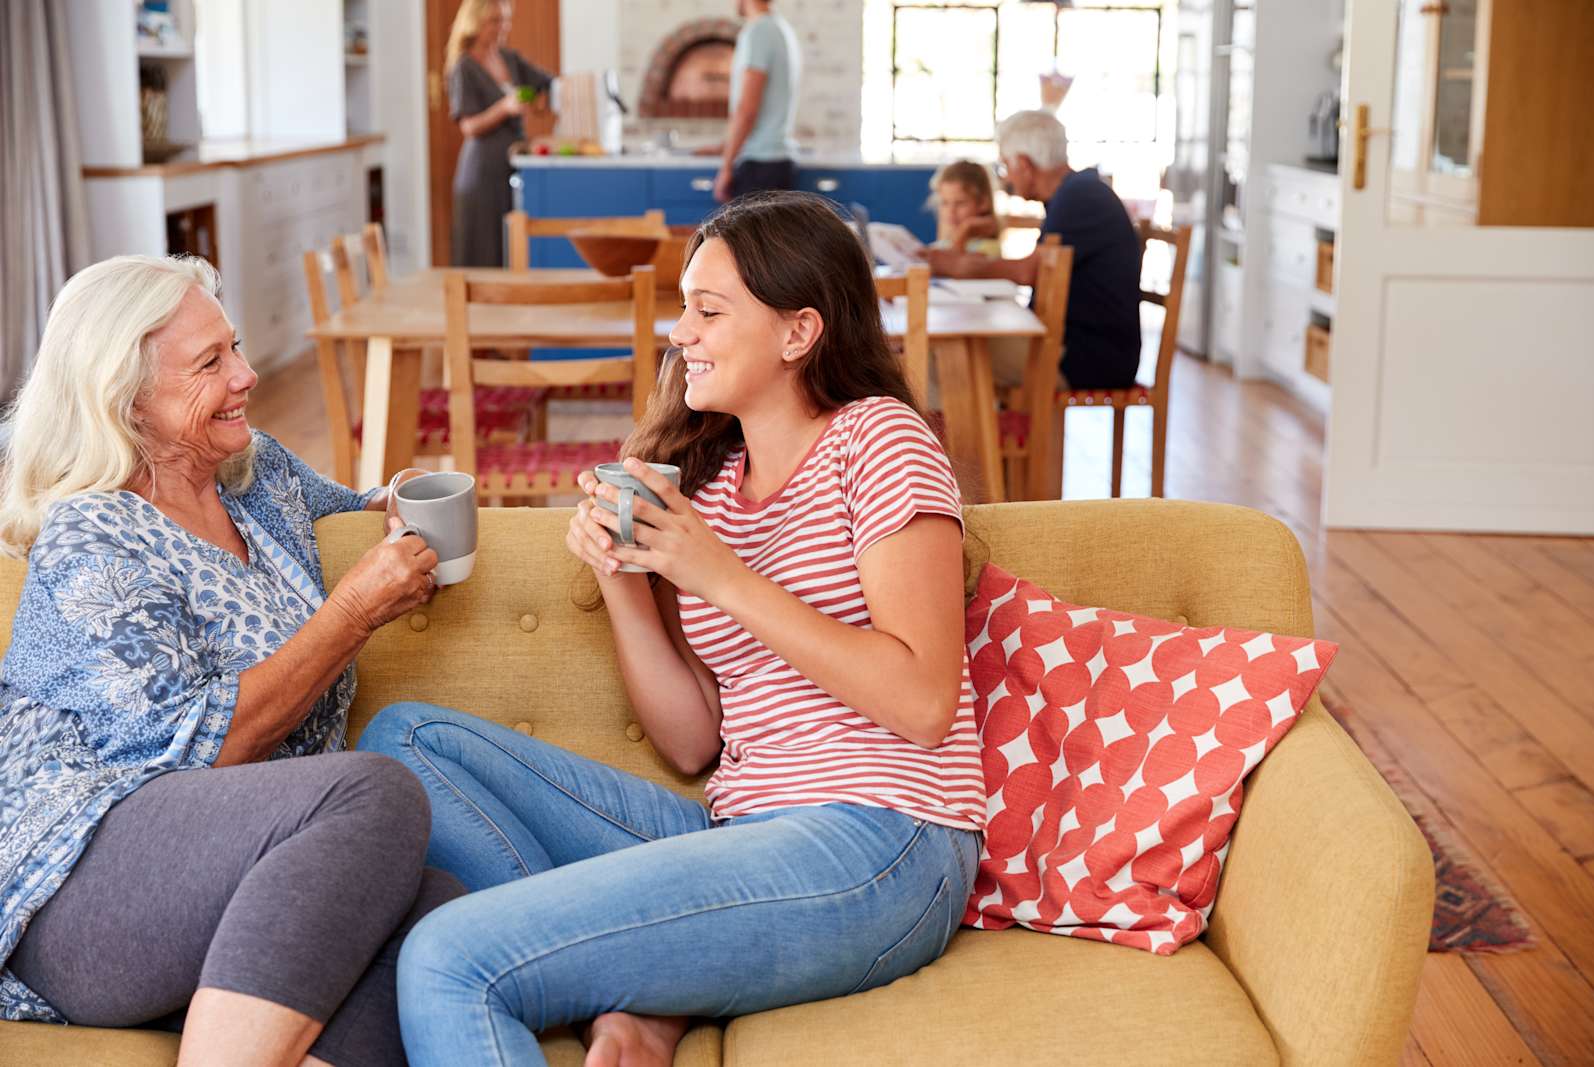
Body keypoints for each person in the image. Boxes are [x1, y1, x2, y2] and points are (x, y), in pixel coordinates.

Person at [356, 193, 985, 1067]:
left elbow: (922, 701)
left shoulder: (877, 439)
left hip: (883, 842)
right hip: (744, 830)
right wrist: (623, 579)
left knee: (451, 957)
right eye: (682, 306)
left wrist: (713, 571)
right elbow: (694, 742)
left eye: (708, 310)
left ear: (799, 331)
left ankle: (635, 986)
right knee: (404, 739)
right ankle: (643, 977)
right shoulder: (714, 485)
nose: (679, 331)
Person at [0, 254, 465, 1065]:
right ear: (125, 395)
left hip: (233, 871)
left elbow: (353, 507)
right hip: (81, 883)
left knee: (438, 915)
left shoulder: (253, 471)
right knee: (375, 792)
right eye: (211, 363)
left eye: (235, 347)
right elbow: (200, 755)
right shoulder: (92, 537)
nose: (247, 375)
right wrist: (352, 612)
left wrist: (395, 502)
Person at [923, 109, 1142, 390]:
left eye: (1006, 166)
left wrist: (958, 266)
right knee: (949, 348)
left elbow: (1028, 271)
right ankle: (988, 434)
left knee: (940, 354)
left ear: (1024, 164)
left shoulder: (1079, 197)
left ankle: (968, 435)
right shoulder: (1075, 193)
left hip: (1087, 358)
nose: (1007, 178)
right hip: (1075, 347)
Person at [446, 0, 552, 266]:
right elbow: (469, 127)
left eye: (505, 19)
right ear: (475, 22)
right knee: (484, 253)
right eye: (495, 20)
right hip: (481, 174)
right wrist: (504, 108)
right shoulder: (464, 67)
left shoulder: (509, 58)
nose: (502, 27)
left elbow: (547, 84)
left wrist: (539, 103)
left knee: (510, 249)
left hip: (510, 168)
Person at [713, 1, 803, 202]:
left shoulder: (758, 32)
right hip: (777, 163)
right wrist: (726, 145)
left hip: (759, 167)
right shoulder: (781, 28)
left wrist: (726, 167)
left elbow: (747, 109)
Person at [930, 160, 1001, 254]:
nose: (951, 211)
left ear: (983, 203)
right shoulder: (941, 245)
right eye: (945, 203)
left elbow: (952, 264)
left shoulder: (989, 249)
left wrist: (966, 229)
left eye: (960, 203)